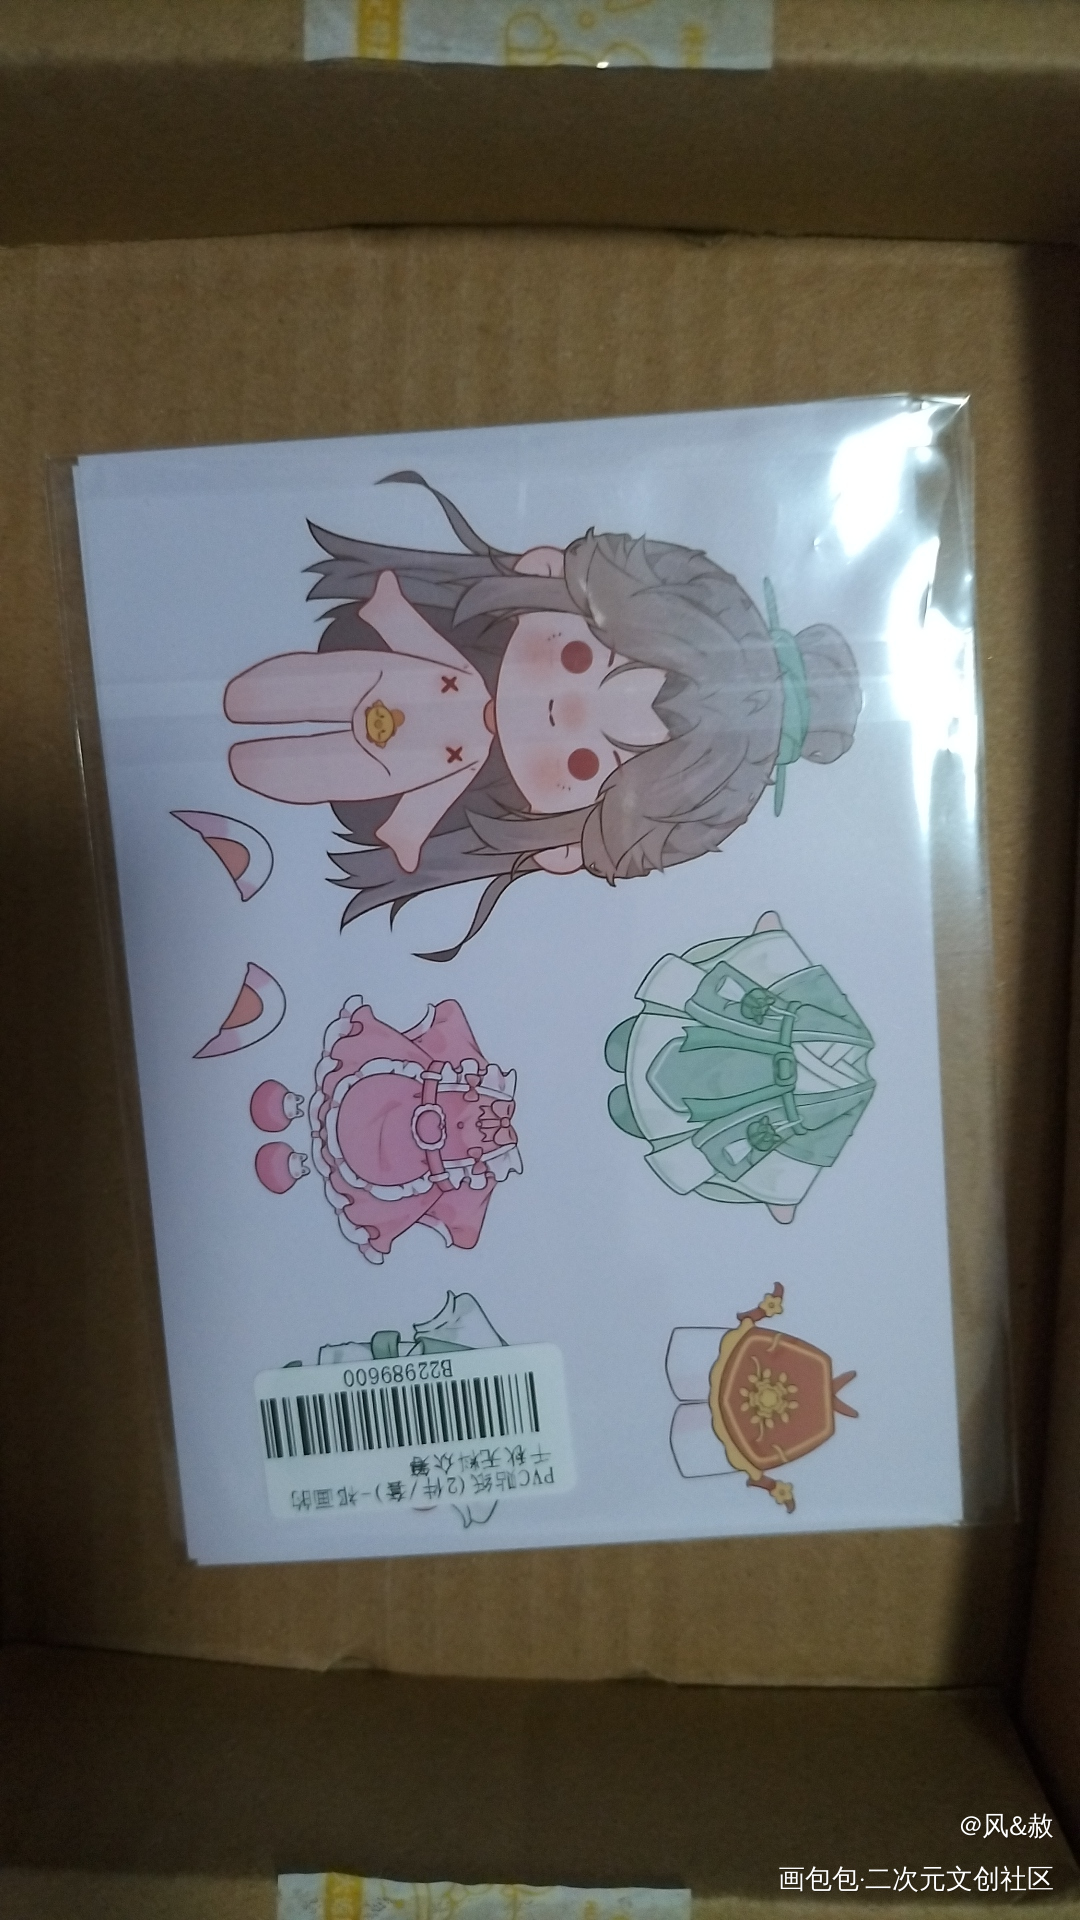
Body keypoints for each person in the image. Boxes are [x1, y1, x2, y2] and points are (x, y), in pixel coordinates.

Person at [225, 474, 861, 958]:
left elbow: (598, 845)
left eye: (594, 763)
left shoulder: (712, 797)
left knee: (281, 761)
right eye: (586, 655)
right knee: (268, 698)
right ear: (544, 570)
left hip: (448, 778)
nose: (567, 708)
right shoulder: (704, 619)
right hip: (428, 659)